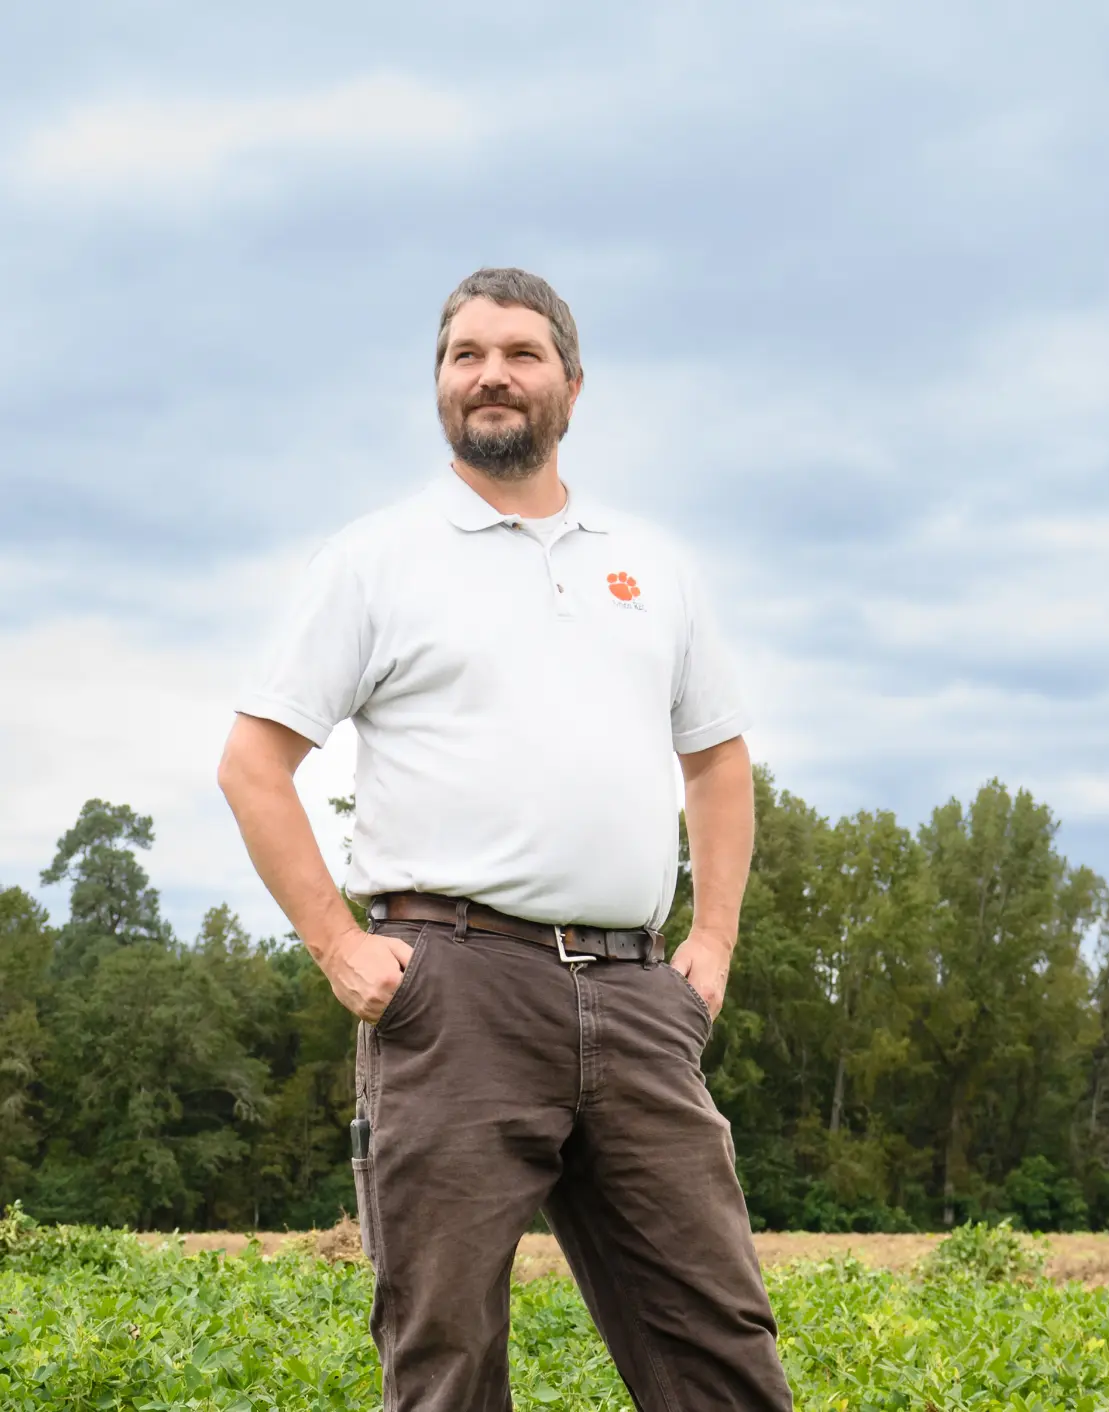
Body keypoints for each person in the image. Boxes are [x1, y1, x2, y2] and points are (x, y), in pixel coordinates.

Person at [218, 267, 793, 1411]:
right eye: (464, 353)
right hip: (455, 993)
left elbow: (716, 759)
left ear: (570, 386)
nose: (491, 373)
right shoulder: (374, 560)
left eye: (520, 353)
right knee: (446, 1353)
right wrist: (338, 943)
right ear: (438, 384)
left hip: (636, 998)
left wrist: (712, 943)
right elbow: (252, 764)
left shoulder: (653, 566)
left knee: (720, 1346)